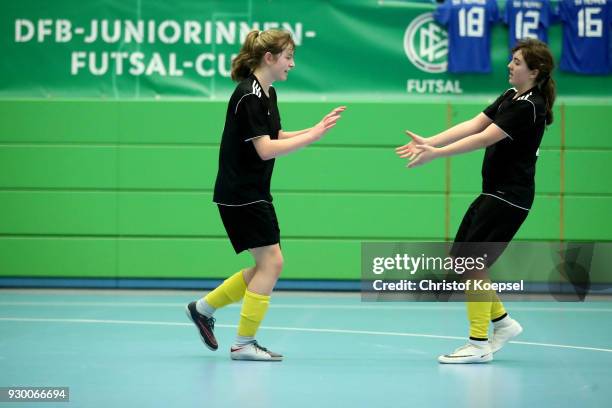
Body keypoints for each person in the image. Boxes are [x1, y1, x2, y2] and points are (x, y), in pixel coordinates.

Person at [186, 29, 345, 361]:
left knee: (264, 266)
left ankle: (203, 308)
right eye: (288, 57)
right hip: (241, 193)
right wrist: (313, 137)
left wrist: (315, 128)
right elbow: (265, 149)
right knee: (272, 263)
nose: (292, 64)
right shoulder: (248, 95)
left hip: (252, 191)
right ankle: (244, 343)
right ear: (269, 58)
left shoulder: (267, 93)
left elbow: (276, 134)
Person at [396, 39, 556, 364]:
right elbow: (475, 124)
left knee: (473, 266)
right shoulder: (513, 96)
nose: (510, 66)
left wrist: (437, 155)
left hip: (509, 198)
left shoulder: (529, 105)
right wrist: (430, 141)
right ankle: (503, 323)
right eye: (511, 60)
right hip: (493, 194)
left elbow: (484, 138)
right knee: (463, 263)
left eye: (517, 62)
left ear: (534, 71)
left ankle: (479, 342)